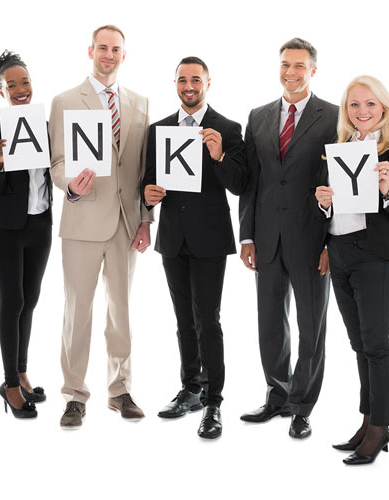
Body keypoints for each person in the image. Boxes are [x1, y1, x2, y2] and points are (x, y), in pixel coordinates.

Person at [228, 38, 338, 440]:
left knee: (312, 326)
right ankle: (277, 394)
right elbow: (252, 184)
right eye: (285, 65)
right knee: (270, 322)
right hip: (267, 237)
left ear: (313, 71)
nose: (290, 72)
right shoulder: (258, 116)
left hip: (313, 241)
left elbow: (339, 183)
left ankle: (302, 406)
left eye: (299, 66)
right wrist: (248, 236)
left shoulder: (334, 117)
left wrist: (332, 242)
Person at [312, 75, 389, 465]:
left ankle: (381, 427)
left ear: (385, 108)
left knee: (375, 344)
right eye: (354, 105)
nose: (362, 112)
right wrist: (323, 204)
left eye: (370, 104)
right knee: (358, 344)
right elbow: (334, 209)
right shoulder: (338, 148)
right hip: (339, 252)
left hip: (376, 257)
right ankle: (367, 419)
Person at [46, 25, 152, 429]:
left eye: (116, 49)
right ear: (91, 50)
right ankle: (74, 394)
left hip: (127, 223)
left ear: (124, 55)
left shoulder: (139, 103)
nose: (109, 54)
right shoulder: (65, 101)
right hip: (82, 218)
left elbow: (143, 170)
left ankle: (120, 389)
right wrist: (69, 185)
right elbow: (56, 163)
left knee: (121, 311)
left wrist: (145, 220)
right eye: (103, 47)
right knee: (78, 311)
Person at [139, 57, 247, 439]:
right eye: (182, 80)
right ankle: (190, 389)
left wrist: (218, 156)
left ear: (207, 83)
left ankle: (214, 401)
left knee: (208, 320)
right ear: (175, 83)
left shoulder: (228, 128)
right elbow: (148, 181)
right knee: (183, 320)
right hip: (173, 238)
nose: (189, 86)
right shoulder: (159, 130)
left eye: (195, 79)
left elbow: (240, 184)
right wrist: (148, 195)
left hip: (209, 239)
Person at [0, 50, 49, 419]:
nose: (21, 89)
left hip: (41, 223)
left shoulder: (46, 123)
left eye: (25, 82)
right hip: (5, 227)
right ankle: (9, 384)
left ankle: (22, 371)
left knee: (32, 299)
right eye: (12, 85)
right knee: (13, 301)